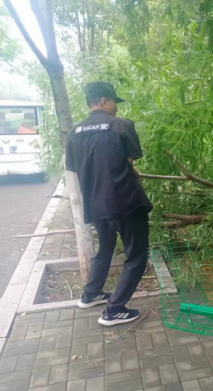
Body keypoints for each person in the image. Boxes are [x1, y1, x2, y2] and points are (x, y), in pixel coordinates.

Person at [65, 82, 153, 326]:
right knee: (136, 256)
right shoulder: (121, 125)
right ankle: (114, 310)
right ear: (104, 101)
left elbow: (76, 168)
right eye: (114, 102)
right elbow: (128, 162)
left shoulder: (74, 133)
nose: (116, 108)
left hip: (95, 204)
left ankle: (91, 294)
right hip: (125, 203)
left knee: (105, 248)